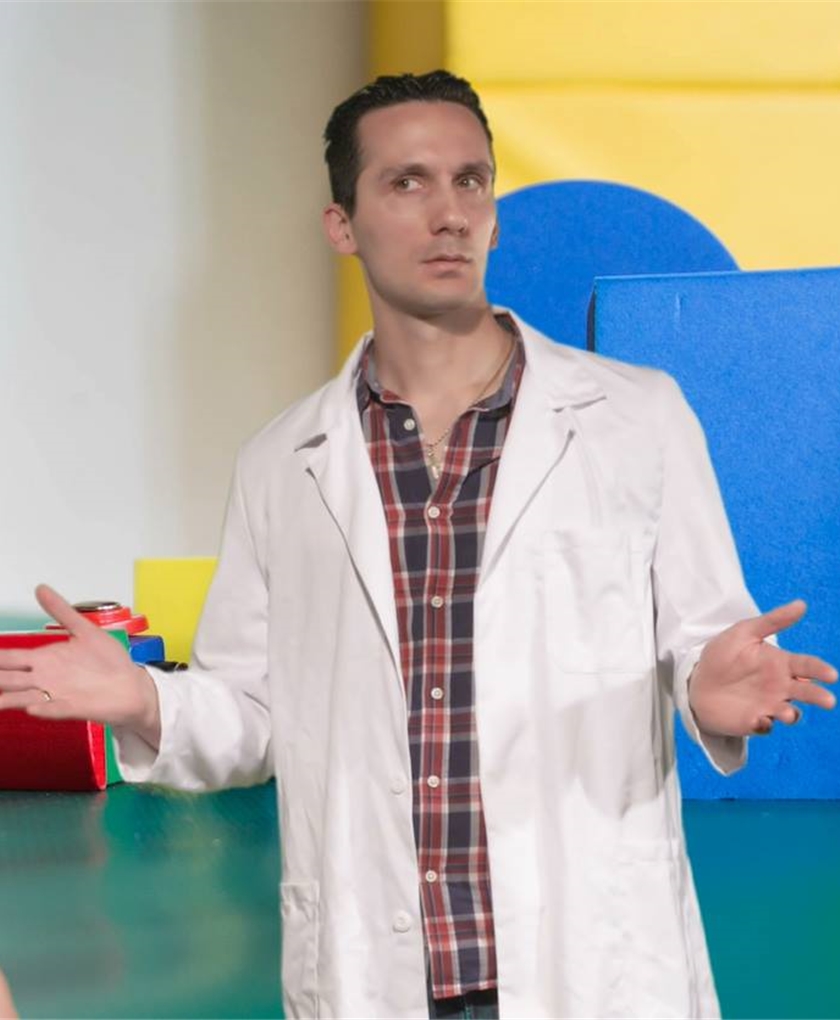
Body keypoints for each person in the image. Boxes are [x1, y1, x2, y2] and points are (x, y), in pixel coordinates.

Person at [0, 71, 836, 1020]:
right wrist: (145, 699)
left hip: (589, 962)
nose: (449, 214)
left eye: (470, 181)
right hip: (379, 974)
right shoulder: (283, 462)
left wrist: (708, 686)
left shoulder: (637, 418)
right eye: (407, 183)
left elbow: (703, 639)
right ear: (341, 226)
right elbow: (257, 710)